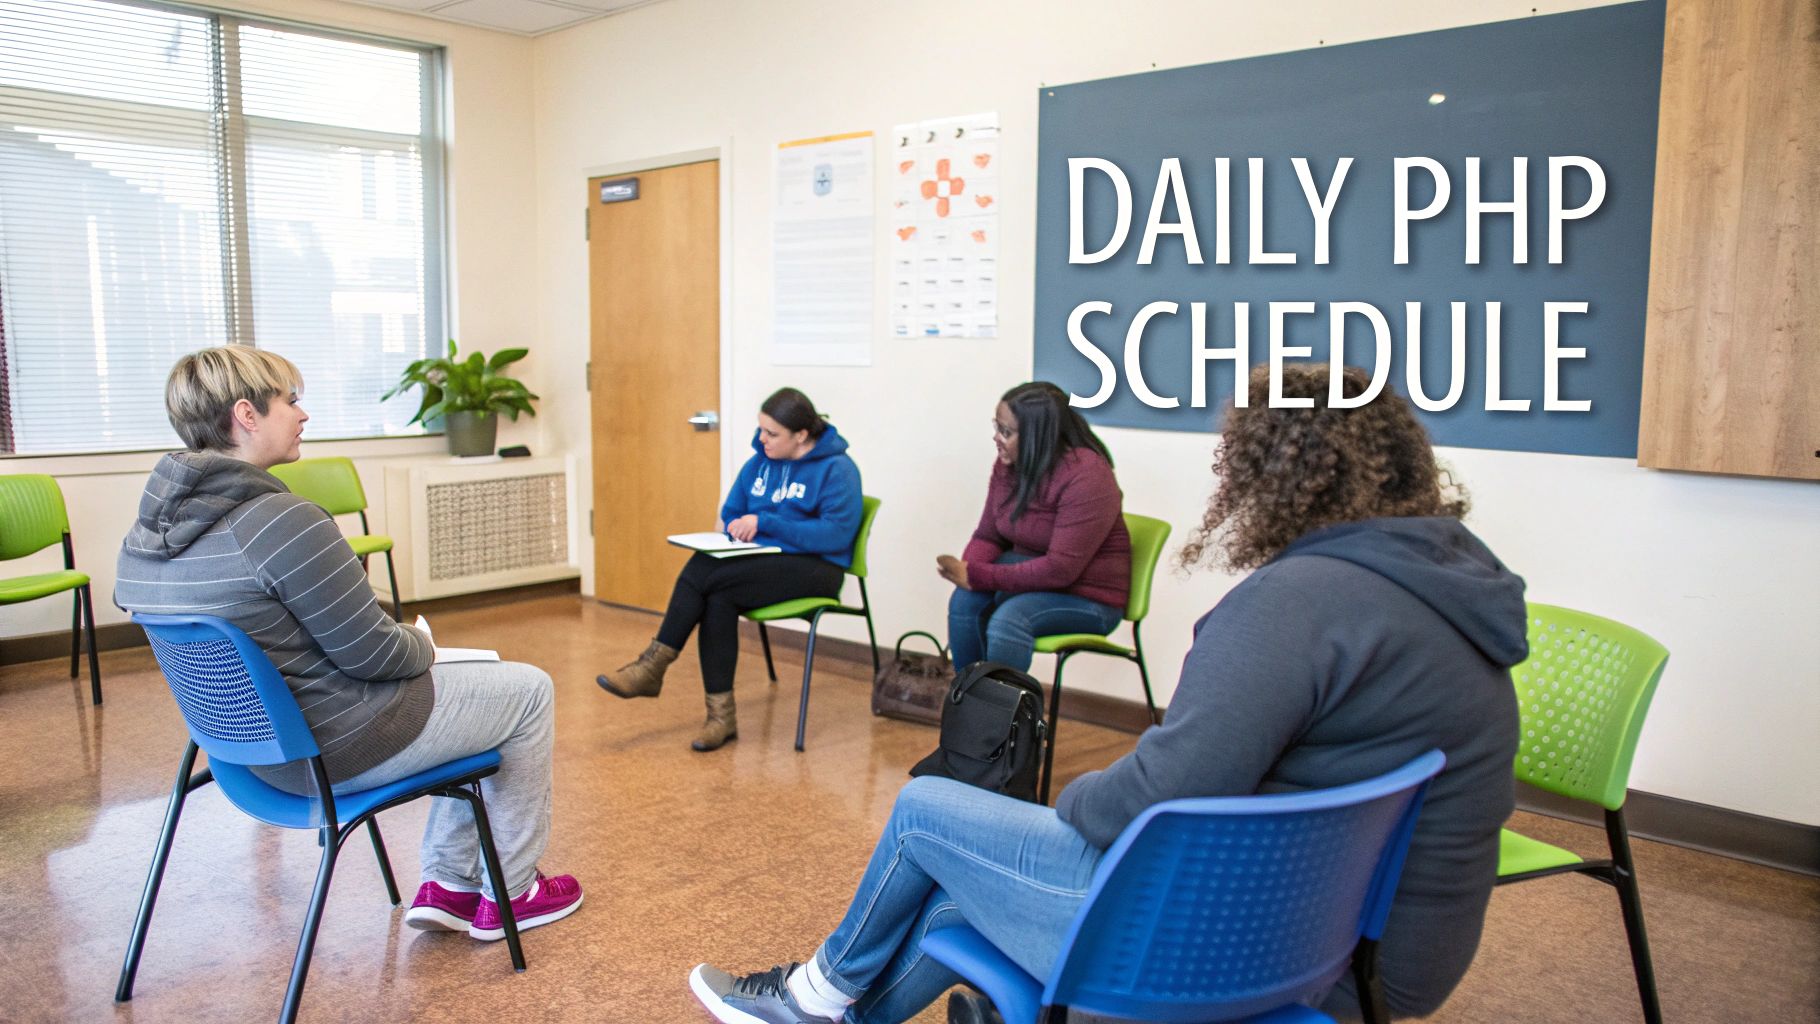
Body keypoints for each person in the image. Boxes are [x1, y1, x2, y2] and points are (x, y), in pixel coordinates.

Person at [689, 364, 1526, 1024]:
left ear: (1273, 478)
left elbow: (1160, 793)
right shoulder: (1450, 592)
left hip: (1243, 948)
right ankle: (830, 1009)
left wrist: (1078, 793)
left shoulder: (1298, 607)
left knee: (930, 810)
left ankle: (811, 998)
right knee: (959, 894)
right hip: (1377, 946)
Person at [115, 346, 582, 942]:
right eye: (291, 399)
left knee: (476, 696)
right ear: (247, 415)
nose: (303, 414)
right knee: (526, 691)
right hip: (337, 748)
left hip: (244, 758)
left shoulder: (142, 543)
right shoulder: (283, 522)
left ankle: (450, 886)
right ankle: (512, 891)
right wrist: (423, 645)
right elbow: (377, 655)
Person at [597, 387, 863, 752]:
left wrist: (766, 522)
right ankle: (720, 717)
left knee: (704, 569)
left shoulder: (838, 470)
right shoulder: (761, 462)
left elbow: (835, 535)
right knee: (718, 597)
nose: (761, 439)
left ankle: (653, 667)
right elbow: (732, 510)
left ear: (801, 436)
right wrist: (739, 523)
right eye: (761, 429)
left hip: (817, 568)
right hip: (760, 560)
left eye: (772, 434)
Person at [939, 381, 1131, 674]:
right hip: (1031, 583)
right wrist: (969, 575)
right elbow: (988, 535)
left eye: (1006, 432)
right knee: (966, 600)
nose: (996, 438)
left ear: (1037, 436)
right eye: (996, 427)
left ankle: (1003, 717)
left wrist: (977, 575)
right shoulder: (1008, 465)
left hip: (1089, 598)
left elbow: (1060, 569)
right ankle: (969, 705)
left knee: (1010, 620)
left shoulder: (1089, 476)